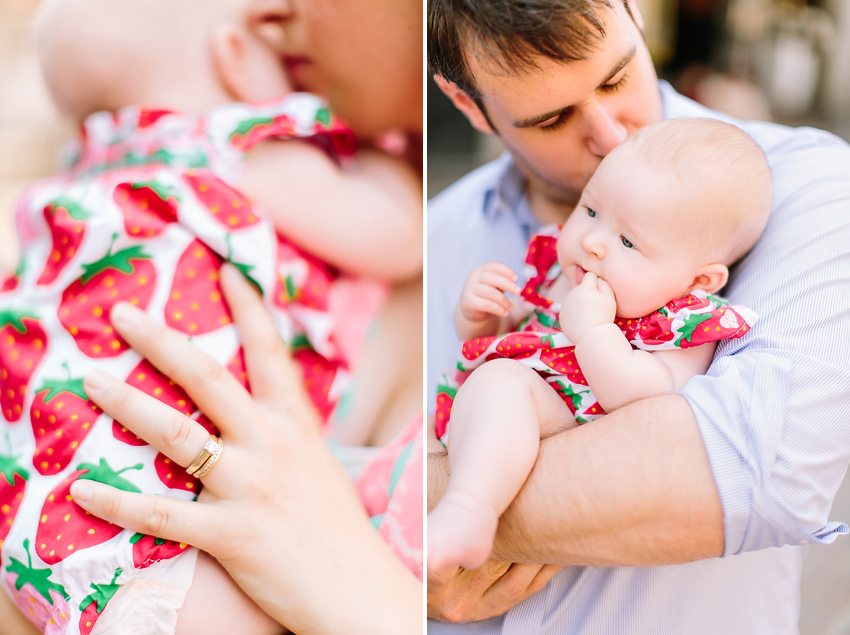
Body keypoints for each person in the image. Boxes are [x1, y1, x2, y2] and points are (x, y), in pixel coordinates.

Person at [426, 0, 850, 631]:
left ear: (633, 9)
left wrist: (421, 514)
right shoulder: (435, 233)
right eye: (552, 118)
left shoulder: (802, 186)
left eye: (617, 78)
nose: (611, 135)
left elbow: (756, 476)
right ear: (467, 107)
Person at [0, 0, 422, 633]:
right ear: (236, 60)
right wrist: (385, 162)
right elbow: (401, 237)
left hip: (46, 538)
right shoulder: (239, 154)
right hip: (183, 540)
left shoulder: (80, 183)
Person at [427, 118, 771, 580]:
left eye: (628, 241)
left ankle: (470, 512)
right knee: (425, 439)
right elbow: (511, 341)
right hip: (473, 418)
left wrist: (591, 331)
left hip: (562, 424)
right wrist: (482, 316)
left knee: (502, 385)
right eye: (589, 210)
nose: (591, 241)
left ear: (697, 280)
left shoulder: (678, 324)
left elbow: (644, 400)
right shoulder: (563, 274)